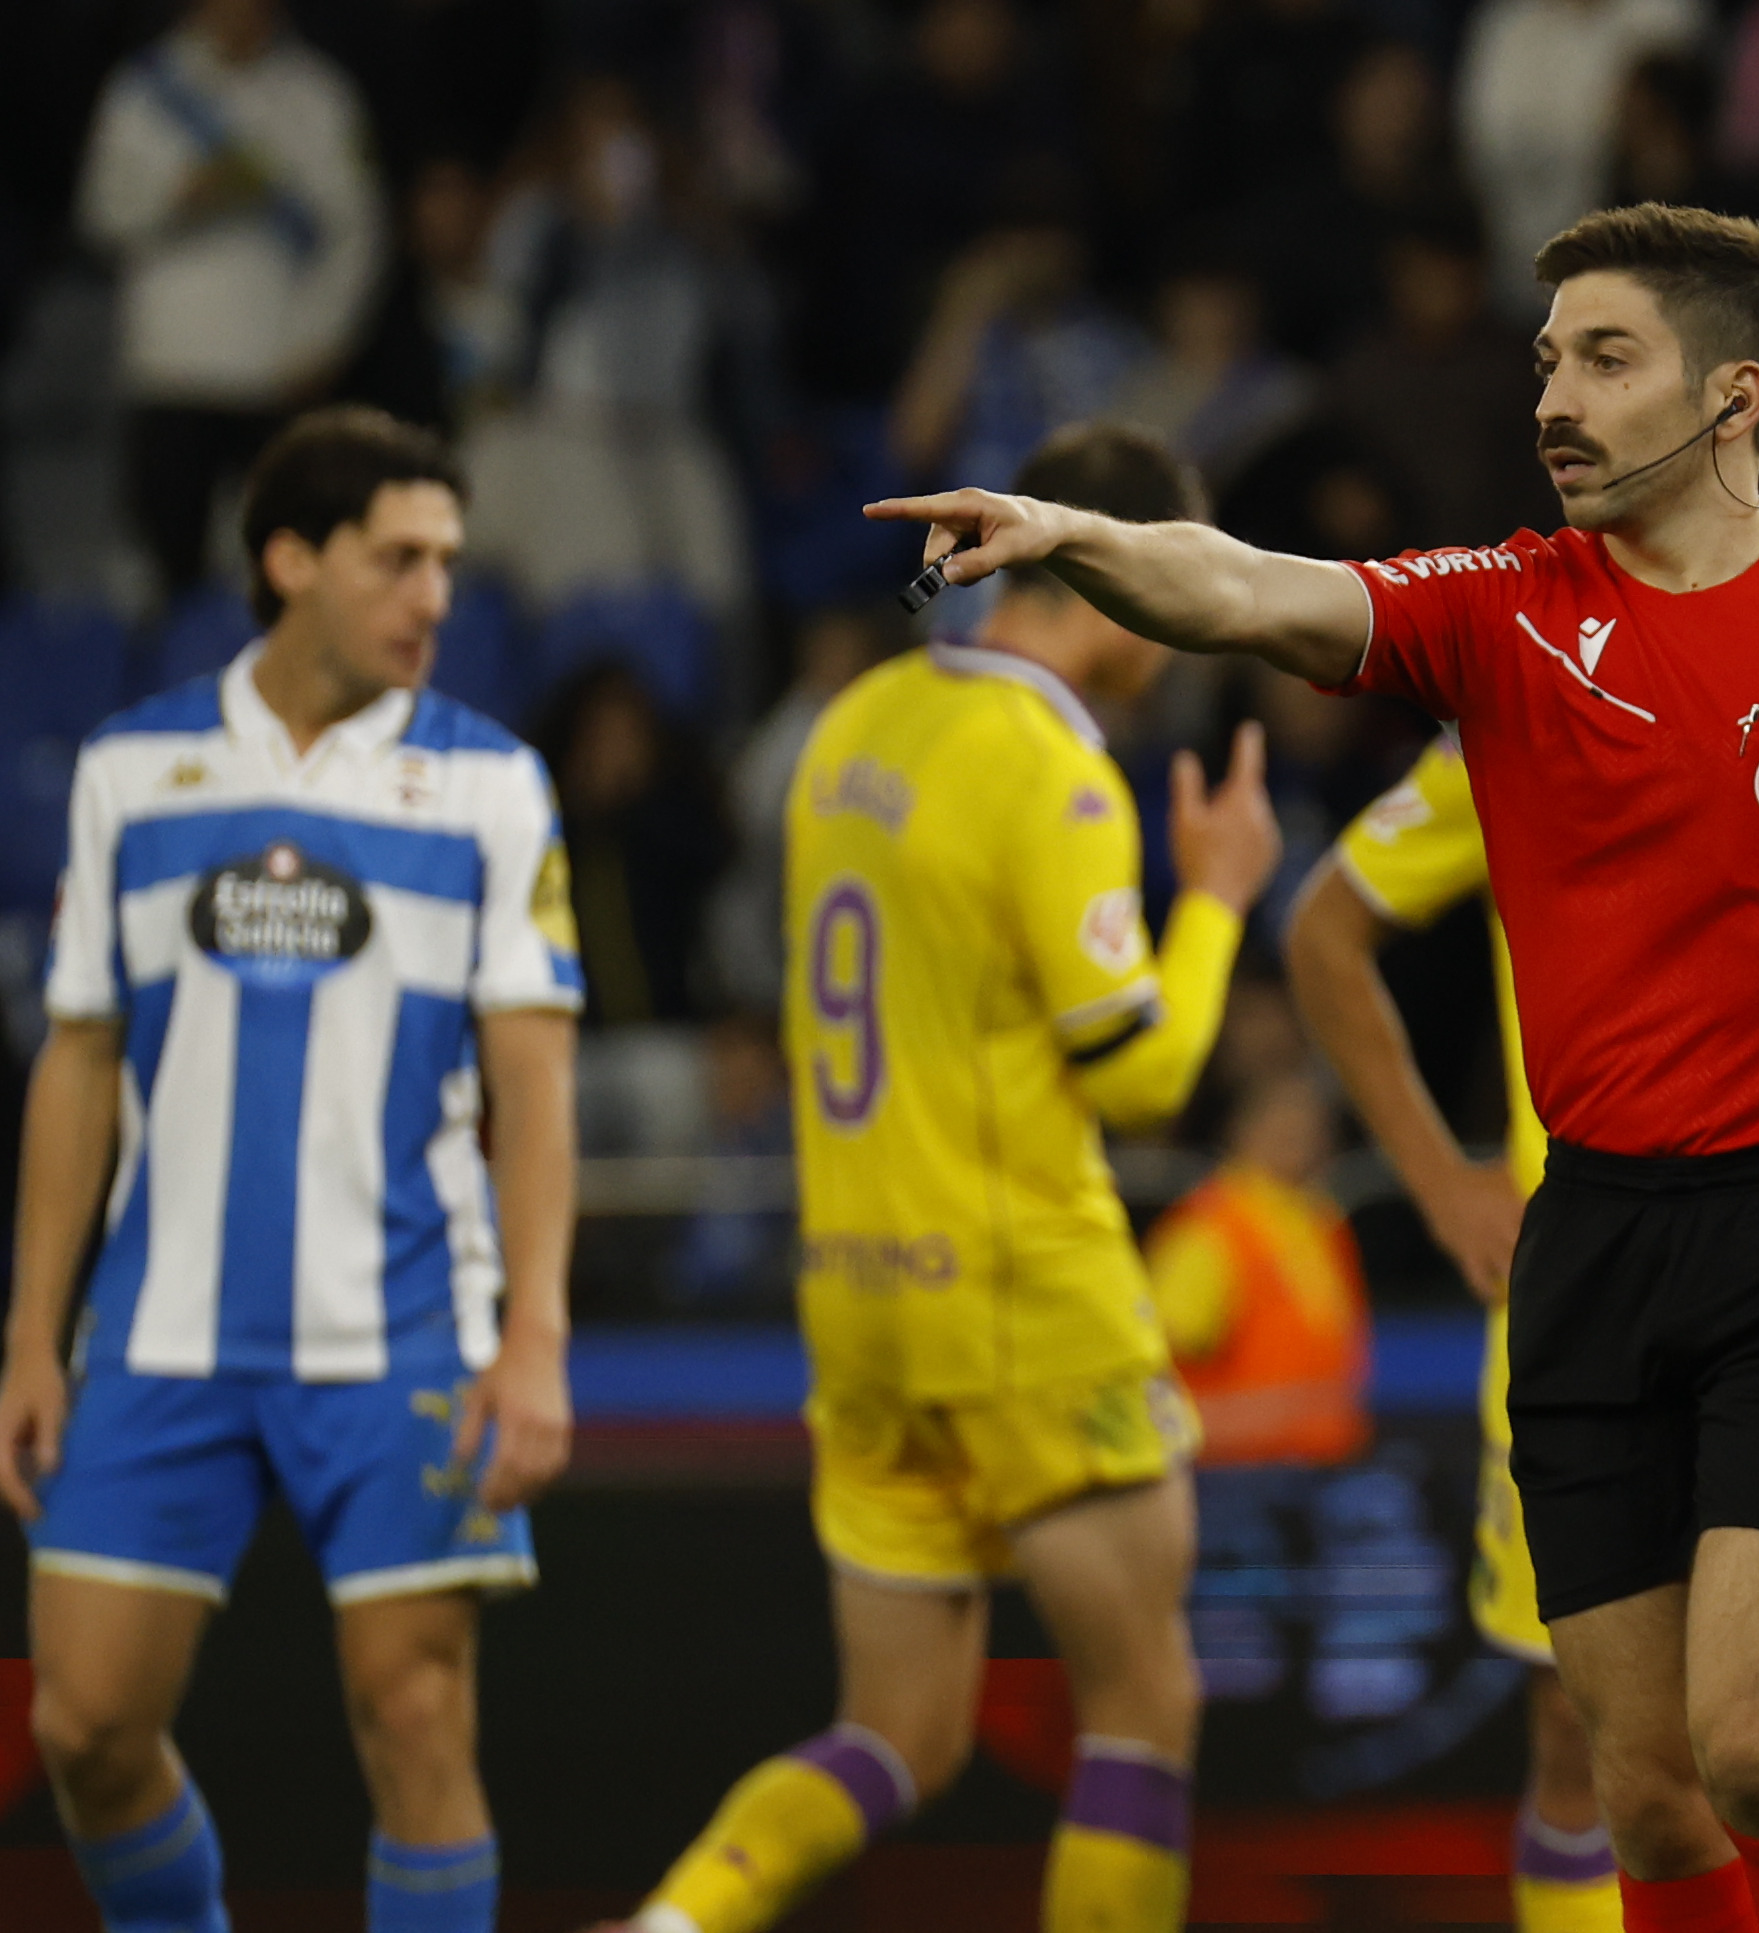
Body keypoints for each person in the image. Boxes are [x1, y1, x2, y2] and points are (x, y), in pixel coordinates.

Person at [871, 202, 1759, 1933]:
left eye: (1605, 357)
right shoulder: (1505, 612)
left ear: (1734, 400)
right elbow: (1258, 591)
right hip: (1592, 1240)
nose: (1554, 396)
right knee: (1642, 1793)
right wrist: (1079, 534)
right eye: (1547, 358)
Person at [595, 425, 1280, 1933]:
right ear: (1108, 562)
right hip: (1026, 1293)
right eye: (1183, 577)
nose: (1195, 622)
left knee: (895, 1731)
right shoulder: (1051, 765)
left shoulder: (849, 730)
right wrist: (1221, 898)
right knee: (1142, 1702)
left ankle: (672, 1925)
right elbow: (1145, 1077)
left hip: (856, 1299)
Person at [0, 406, 581, 1933]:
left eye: (448, 561)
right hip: (159, 1332)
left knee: (416, 1721)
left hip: (400, 1330)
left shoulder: (492, 787)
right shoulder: (137, 770)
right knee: (84, 1728)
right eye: (399, 559)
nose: (435, 597)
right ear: (290, 559)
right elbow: (78, 1055)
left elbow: (537, 1078)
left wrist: (536, 1335)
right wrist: (28, 1335)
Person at [1285, 730, 1759, 1933]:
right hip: (1584, 1299)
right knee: (1591, 1743)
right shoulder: (1520, 709)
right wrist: (1438, 1178)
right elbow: (1325, 927)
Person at [76, 0, 388, 604]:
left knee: (288, 577)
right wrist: (179, 195)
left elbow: (360, 233)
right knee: (172, 577)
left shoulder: (318, 94)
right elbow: (100, 214)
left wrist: (323, 340)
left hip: (278, 376)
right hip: (171, 374)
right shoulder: (144, 90)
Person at [1142, 1072, 1375, 1466]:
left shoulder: (1321, 1222)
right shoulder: (1209, 1230)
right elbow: (1164, 1352)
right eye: (1281, 1123)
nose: (1296, 1137)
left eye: (1308, 1125)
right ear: (1242, 1130)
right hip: (1237, 1475)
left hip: (1322, 1463)